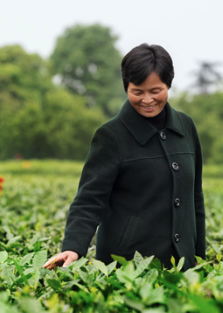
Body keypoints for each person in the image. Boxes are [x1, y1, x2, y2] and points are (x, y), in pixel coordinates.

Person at [43, 43, 205, 271]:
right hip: (126, 268)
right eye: (137, 92)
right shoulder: (111, 136)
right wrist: (73, 246)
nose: (147, 100)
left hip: (182, 265)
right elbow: (89, 199)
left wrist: (198, 255)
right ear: (126, 87)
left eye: (155, 91)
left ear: (168, 85)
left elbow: (194, 197)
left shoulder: (186, 127)